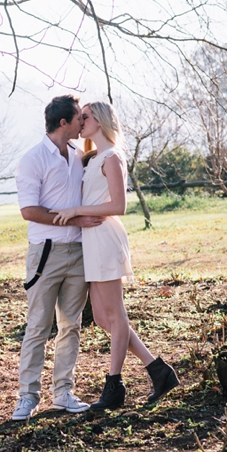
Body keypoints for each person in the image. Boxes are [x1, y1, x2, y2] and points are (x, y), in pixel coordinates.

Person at [51, 101, 179, 411]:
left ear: (100, 120)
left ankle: (114, 385)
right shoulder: (93, 157)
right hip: (92, 240)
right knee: (102, 317)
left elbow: (118, 205)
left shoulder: (112, 157)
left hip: (105, 238)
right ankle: (158, 371)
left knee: (116, 315)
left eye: (85, 117)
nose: (81, 121)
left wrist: (76, 210)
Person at [11, 95, 105, 421]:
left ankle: (63, 393)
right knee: (38, 326)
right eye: (79, 117)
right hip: (45, 253)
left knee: (71, 326)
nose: (83, 122)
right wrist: (73, 219)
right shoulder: (32, 159)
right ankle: (27, 397)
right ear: (64, 122)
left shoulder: (80, 155)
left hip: (78, 252)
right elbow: (29, 210)